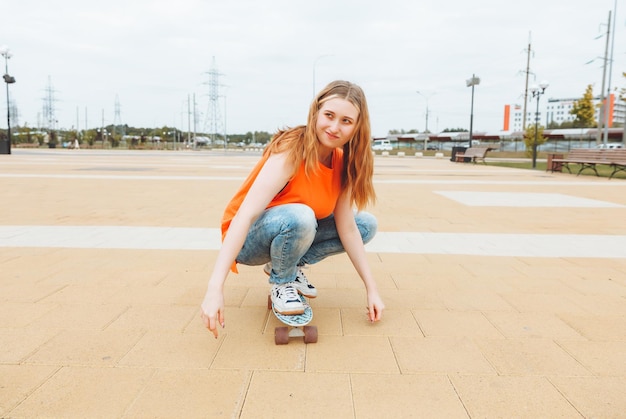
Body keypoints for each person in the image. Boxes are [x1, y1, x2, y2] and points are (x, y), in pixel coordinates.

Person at [200, 80, 384, 338]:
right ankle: (282, 280)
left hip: (292, 230)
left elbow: (348, 230)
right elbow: (246, 214)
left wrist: (371, 289)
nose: (334, 127)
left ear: (357, 127)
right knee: (301, 215)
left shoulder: (344, 163)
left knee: (366, 225)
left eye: (346, 121)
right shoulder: (292, 149)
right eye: (329, 115)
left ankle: (286, 266)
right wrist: (215, 287)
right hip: (248, 239)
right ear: (316, 112)